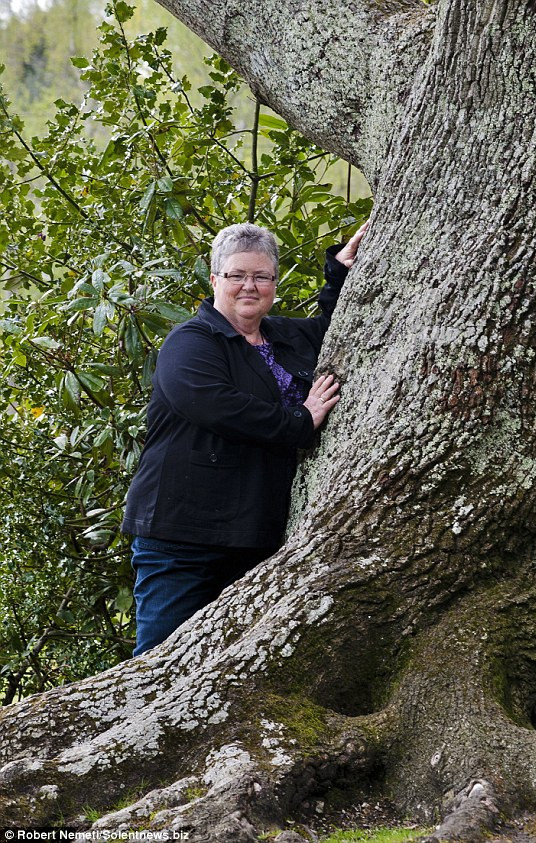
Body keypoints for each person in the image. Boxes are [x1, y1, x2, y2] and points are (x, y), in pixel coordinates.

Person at [122, 220, 368, 655]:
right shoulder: (190, 343)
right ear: (215, 279)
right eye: (237, 275)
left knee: (239, 670)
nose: (249, 286)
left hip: (255, 537)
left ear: (274, 282)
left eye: (261, 276)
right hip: (182, 540)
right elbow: (216, 405)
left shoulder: (285, 337)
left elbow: (341, 327)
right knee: (160, 662)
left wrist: (340, 272)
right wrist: (300, 420)